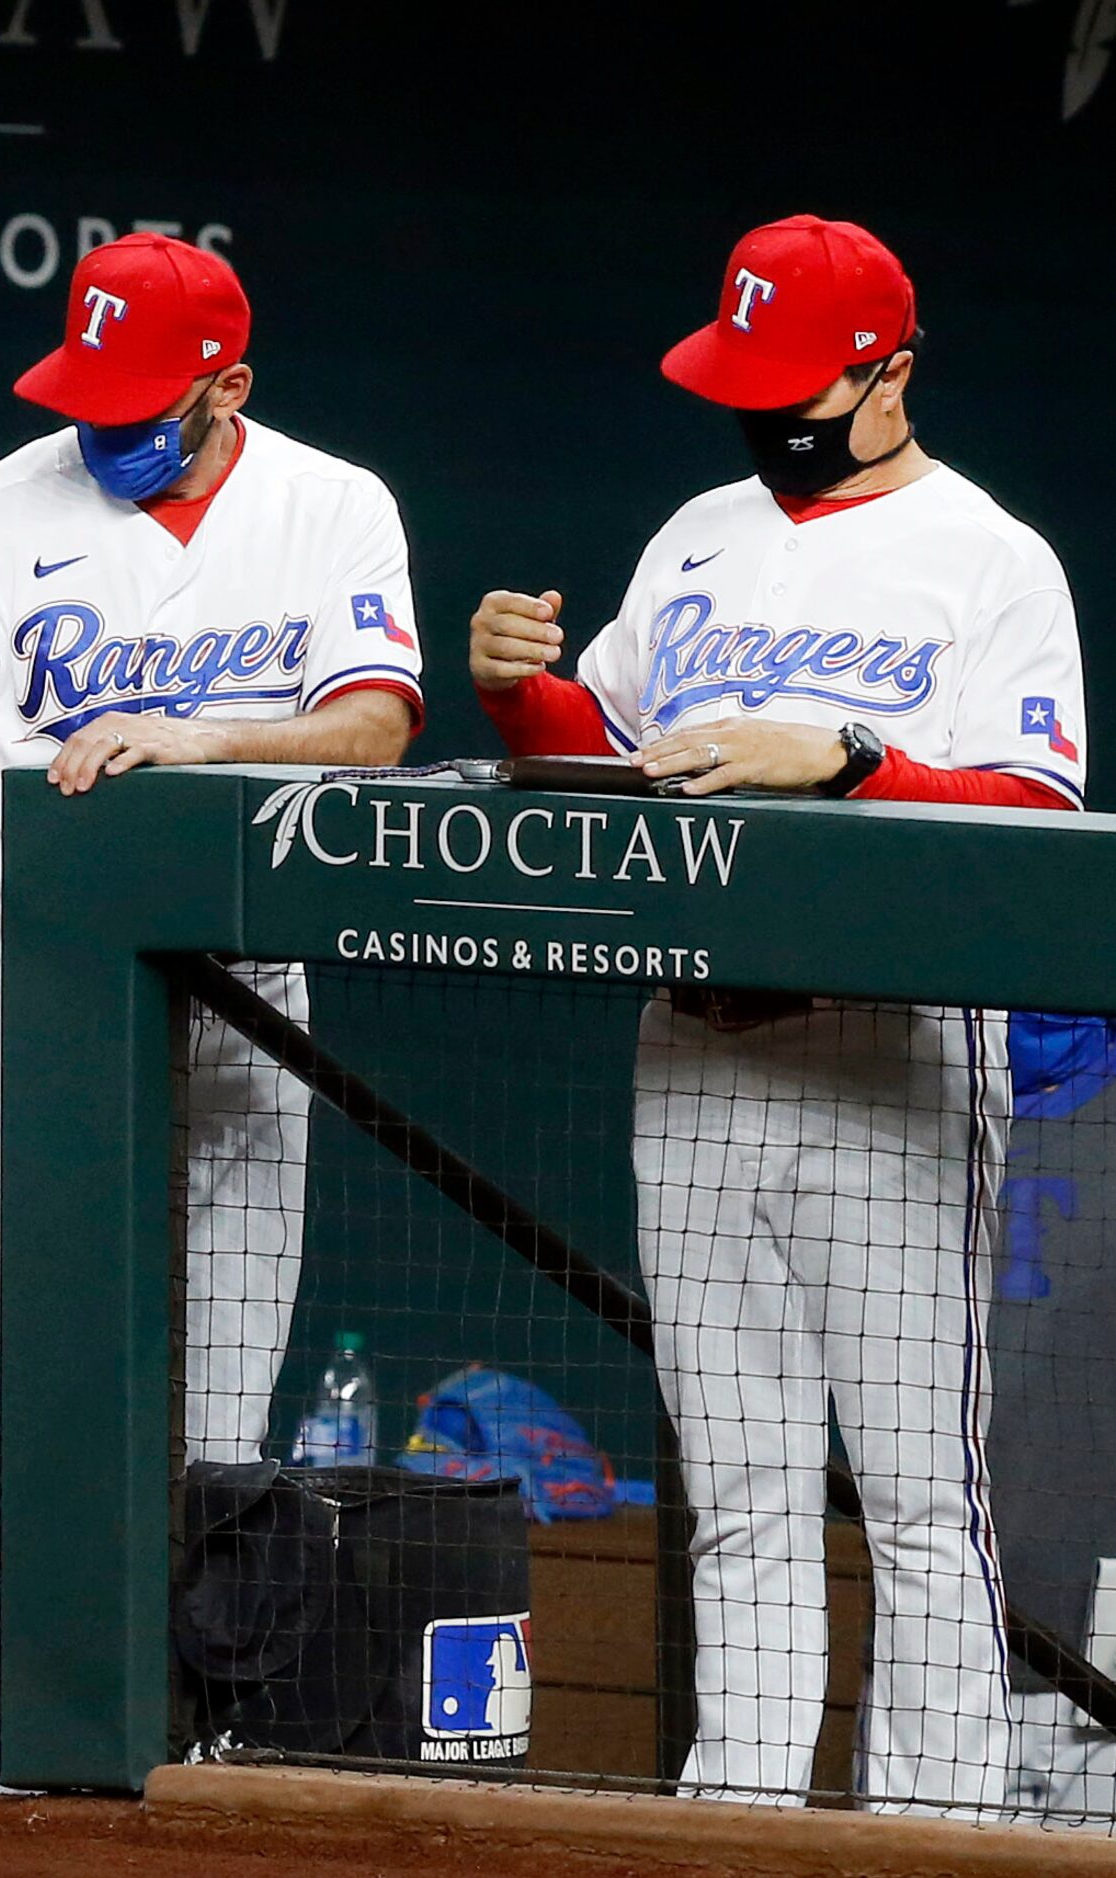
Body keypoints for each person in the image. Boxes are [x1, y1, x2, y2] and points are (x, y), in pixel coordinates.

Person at [467, 213, 1083, 1814]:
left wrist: (853, 759)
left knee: (915, 1496)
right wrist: (518, 687)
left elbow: (1035, 809)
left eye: (802, 381)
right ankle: (735, 1816)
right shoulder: (695, 534)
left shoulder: (991, 556)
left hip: (885, 1048)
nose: (770, 412)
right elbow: (603, 742)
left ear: (891, 372)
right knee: (736, 1489)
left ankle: (936, 1828)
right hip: (692, 1042)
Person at [0, 233, 422, 1792]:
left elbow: (377, 721)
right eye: (90, 390)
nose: (104, 424)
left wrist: (193, 737)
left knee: (216, 1432)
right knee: (7, 1416)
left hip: (247, 996)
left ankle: (174, 1764)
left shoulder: (331, 501)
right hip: (43, 984)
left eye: (142, 398)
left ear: (230, 388)